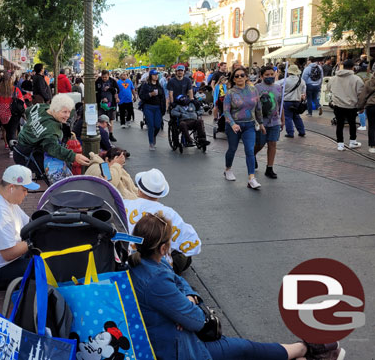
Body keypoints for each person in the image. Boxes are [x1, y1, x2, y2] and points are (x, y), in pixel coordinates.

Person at [128, 213, 345, 360]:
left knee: (244, 348)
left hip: (170, 336)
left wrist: (189, 298)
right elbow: (196, 320)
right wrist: (186, 309)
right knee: (244, 349)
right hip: (176, 349)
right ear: (165, 247)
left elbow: (180, 281)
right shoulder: (155, 279)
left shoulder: (145, 263)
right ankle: (305, 348)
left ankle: (303, 349)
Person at [124, 170, 201, 275]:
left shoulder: (125, 205)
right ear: (160, 194)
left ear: (139, 190)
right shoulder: (170, 215)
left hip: (126, 261)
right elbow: (194, 246)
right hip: (158, 269)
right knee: (184, 257)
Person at [13, 93, 90, 172]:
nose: (67, 115)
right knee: (59, 167)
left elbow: (27, 112)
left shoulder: (40, 107)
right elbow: (53, 148)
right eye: (64, 112)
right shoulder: (51, 129)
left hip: (18, 147)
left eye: (69, 112)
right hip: (27, 156)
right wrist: (74, 156)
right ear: (54, 110)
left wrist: (32, 130)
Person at [223, 66, 265, 189]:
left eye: (242, 75)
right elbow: (226, 111)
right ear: (234, 79)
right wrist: (232, 124)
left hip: (249, 125)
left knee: (250, 150)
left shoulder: (253, 90)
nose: (240, 77)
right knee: (232, 149)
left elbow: (258, 108)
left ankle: (251, 178)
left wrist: (261, 123)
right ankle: (228, 169)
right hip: (234, 126)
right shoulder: (230, 93)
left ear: (246, 77)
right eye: (237, 76)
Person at [255, 65, 284, 179]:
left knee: (272, 144)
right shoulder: (256, 88)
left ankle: (269, 168)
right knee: (260, 143)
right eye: (267, 75)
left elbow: (280, 105)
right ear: (262, 76)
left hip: (274, 121)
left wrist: (283, 119)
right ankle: (252, 156)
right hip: (261, 121)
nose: (270, 76)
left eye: (272, 74)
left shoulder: (278, 88)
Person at [329, 59, 365, 151]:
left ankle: (340, 144)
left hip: (338, 105)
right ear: (353, 67)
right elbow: (360, 94)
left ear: (343, 66)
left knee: (339, 124)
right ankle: (353, 141)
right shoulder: (357, 79)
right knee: (352, 123)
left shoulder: (334, 78)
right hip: (351, 106)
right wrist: (361, 106)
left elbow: (329, 88)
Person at [0, 71, 25, 151]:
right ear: (11, 80)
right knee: (12, 131)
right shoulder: (15, 89)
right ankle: (13, 148)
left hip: (2, 114)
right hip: (14, 113)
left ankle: (9, 146)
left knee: (7, 131)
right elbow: (22, 102)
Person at [277, 65, 306, 139]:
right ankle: (302, 131)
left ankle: (290, 133)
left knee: (288, 117)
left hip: (287, 101)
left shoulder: (285, 80)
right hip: (297, 101)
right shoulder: (301, 80)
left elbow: (276, 84)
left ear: (289, 72)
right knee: (296, 117)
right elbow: (304, 91)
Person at [140, 70, 166, 150]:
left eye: (157, 75)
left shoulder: (159, 86)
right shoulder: (146, 85)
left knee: (158, 125)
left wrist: (164, 108)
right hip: (148, 107)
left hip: (157, 107)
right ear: (151, 76)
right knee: (151, 125)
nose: (156, 76)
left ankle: (153, 136)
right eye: (154, 75)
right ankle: (151, 143)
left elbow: (163, 97)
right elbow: (141, 95)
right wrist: (150, 94)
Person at [96, 70, 119, 142]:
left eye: (106, 77)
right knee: (100, 118)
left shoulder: (112, 81)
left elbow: (117, 90)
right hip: (101, 103)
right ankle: (100, 133)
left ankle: (111, 134)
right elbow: (96, 90)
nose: (104, 79)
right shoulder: (98, 81)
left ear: (108, 75)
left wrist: (109, 88)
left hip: (110, 104)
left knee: (110, 119)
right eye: (103, 77)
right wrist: (101, 98)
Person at [358, 72, 375, 153]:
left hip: (371, 106)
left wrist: (361, 107)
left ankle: (372, 146)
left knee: (372, 126)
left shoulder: (368, 83)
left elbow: (363, 96)